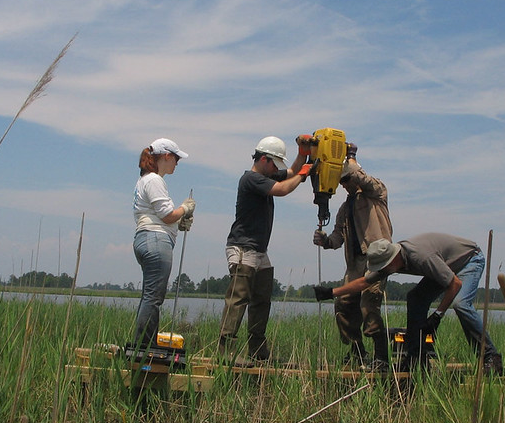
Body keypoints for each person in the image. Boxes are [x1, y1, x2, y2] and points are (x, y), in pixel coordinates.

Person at [315, 234, 503, 375]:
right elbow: (365, 282)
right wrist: (332, 292)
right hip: (445, 266)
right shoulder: (392, 262)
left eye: (385, 267)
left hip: (468, 261)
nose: (384, 271)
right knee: (415, 298)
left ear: (393, 259)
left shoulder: (421, 258)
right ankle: (415, 358)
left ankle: (490, 357)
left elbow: (455, 284)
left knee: (461, 304)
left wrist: (437, 315)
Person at [218, 135, 315, 364]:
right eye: (274, 164)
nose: (276, 169)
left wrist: (303, 154)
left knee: (262, 299)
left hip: (259, 250)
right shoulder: (251, 179)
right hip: (243, 247)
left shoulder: (266, 174)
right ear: (263, 159)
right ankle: (226, 350)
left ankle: (258, 351)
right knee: (238, 298)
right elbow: (282, 189)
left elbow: (290, 172)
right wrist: (305, 173)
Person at [312, 143, 393, 371]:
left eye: (345, 180)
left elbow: (362, 177)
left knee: (369, 305)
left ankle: (381, 358)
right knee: (344, 304)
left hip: (377, 259)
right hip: (355, 264)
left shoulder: (376, 193)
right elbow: (337, 239)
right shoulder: (344, 209)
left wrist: (351, 156)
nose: (343, 185)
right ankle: (357, 352)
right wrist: (325, 240)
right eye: (341, 182)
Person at [132, 138, 196, 348]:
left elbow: (164, 216)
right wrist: (185, 209)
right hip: (155, 240)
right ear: (166, 156)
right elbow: (167, 214)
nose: (177, 163)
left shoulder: (145, 180)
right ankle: (145, 346)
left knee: (149, 296)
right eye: (176, 158)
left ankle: (144, 344)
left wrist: (180, 221)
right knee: (153, 298)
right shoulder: (154, 180)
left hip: (147, 238)